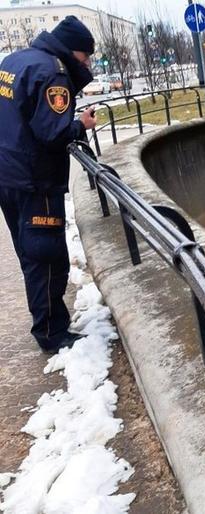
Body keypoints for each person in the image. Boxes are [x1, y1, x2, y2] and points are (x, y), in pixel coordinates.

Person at [0, 16, 97, 353]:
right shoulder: (53, 74)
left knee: (30, 253)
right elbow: (53, 133)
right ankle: (52, 332)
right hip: (36, 181)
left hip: (8, 176)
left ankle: (49, 322)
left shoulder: (14, 60)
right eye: (86, 59)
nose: (87, 65)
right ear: (74, 52)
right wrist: (80, 124)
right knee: (47, 256)